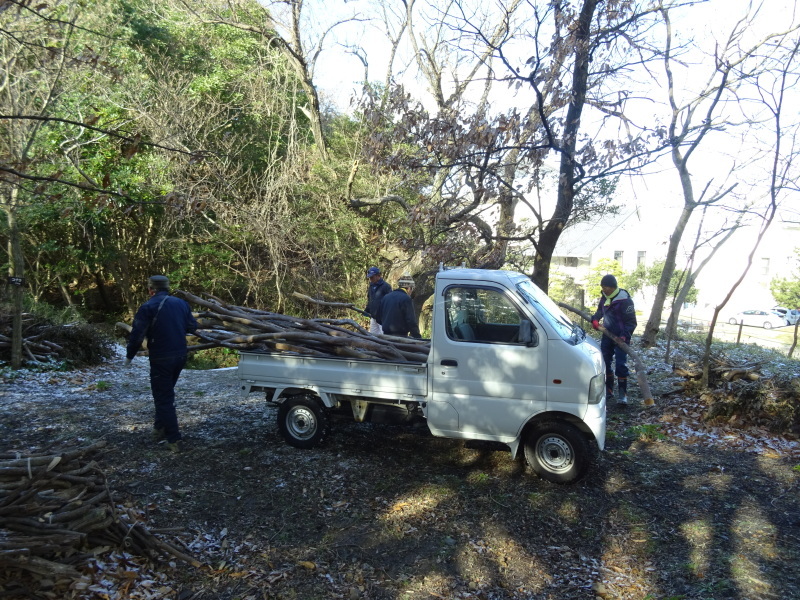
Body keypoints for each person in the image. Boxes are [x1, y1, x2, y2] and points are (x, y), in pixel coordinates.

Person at [126, 275, 198, 452]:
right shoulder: (181, 304)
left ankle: (173, 439)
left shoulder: (148, 307)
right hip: (180, 355)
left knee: (163, 397)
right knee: (164, 392)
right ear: (167, 288)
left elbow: (137, 335)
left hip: (161, 357)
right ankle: (159, 428)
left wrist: (129, 355)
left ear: (151, 290)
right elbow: (192, 327)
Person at [591, 274, 636, 406]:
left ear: (612, 287)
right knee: (605, 362)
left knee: (621, 364)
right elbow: (600, 310)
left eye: (606, 287)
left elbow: (631, 322)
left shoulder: (625, 300)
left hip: (621, 337)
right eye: (602, 287)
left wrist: (624, 336)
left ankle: (623, 394)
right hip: (607, 335)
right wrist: (595, 319)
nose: (604, 290)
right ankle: (608, 390)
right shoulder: (605, 297)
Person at [365, 266, 392, 335]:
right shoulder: (371, 286)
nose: (370, 279)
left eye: (372, 277)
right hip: (373, 317)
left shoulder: (386, 286)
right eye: (370, 278)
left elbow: (390, 301)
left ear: (378, 276)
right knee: (372, 335)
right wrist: (368, 309)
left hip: (382, 317)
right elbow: (370, 298)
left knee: (383, 336)